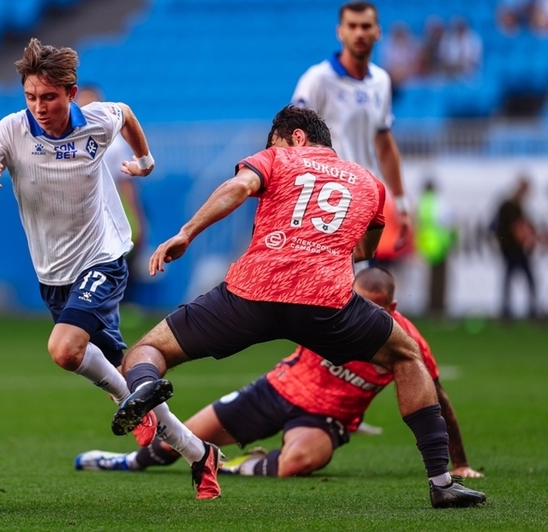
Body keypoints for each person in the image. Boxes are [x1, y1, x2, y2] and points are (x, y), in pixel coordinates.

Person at [110, 105, 486, 508]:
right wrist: (324, 253)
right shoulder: (369, 183)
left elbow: (238, 187)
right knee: (407, 356)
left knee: (149, 349)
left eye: (275, 142)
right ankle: (441, 481)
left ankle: (146, 390)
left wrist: (186, 233)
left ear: (296, 137)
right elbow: (365, 251)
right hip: (326, 305)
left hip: (251, 295)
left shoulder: (278, 158)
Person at [0, 38, 161, 449]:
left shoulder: (96, 120)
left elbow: (126, 114)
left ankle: (131, 402)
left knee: (64, 349)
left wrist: (145, 161)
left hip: (102, 255)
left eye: (48, 97)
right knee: (110, 360)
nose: (39, 107)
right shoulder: (10, 130)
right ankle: (178, 437)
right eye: (31, 97)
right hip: (53, 271)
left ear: (71, 93)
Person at [78, 267, 483, 480]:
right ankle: (127, 462)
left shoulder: (404, 344)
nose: (365, 312)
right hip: (275, 390)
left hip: (325, 418)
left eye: (376, 307)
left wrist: (460, 462)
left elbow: (437, 397)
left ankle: (234, 465)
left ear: (392, 309)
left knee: (297, 462)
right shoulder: (330, 310)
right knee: (176, 442)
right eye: (359, 302)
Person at [290, 0, 412, 251]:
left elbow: (384, 146)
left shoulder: (381, 81)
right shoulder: (317, 80)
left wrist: (401, 203)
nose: (359, 33)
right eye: (352, 26)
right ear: (340, 32)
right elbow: (292, 140)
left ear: (377, 32)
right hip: (324, 203)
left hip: (364, 202)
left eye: (365, 26)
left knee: (362, 273)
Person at [76, 84, 148, 304]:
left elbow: (125, 181)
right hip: (79, 210)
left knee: (116, 256)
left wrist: (136, 216)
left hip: (108, 207)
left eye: (92, 101)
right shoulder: (67, 139)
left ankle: (119, 303)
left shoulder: (113, 142)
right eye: (83, 102)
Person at [492, 176, 539, 321]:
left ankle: (530, 309)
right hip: (510, 249)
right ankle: (507, 310)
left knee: (524, 279)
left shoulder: (517, 207)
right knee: (512, 279)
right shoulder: (508, 207)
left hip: (518, 249)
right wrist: (504, 243)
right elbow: (503, 227)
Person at [415, 180, 458, 318]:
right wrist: (453, 240)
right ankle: (439, 307)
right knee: (440, 279)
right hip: (440, 245)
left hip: (427, 245)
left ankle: (431, 306)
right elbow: (449, 223)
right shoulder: (440, 202)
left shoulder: (422, 203)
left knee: (430, 279)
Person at [379, 21, 420, 95]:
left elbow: (416, 64)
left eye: (402, 35)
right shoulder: (387, 47)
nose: (400, 38)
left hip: (410, 75)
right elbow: (387, 67)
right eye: (398, 35)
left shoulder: (412, 45)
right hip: (395, 77)